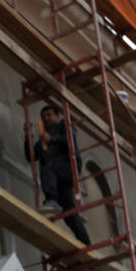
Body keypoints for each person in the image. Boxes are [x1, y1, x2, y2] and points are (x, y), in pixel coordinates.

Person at [24, 103, 90, 245]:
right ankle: (85, 242)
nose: (46, 118)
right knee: (69, 211)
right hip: (57, 179)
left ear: (57, 115)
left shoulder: (64, 126)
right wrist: (28, 137)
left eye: (49, 115)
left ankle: (51, 200)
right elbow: (31, 156)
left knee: (48, 166)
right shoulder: (43, 138)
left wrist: (52, 140)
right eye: (43, 117)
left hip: (68, 165)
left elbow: (70, 140)